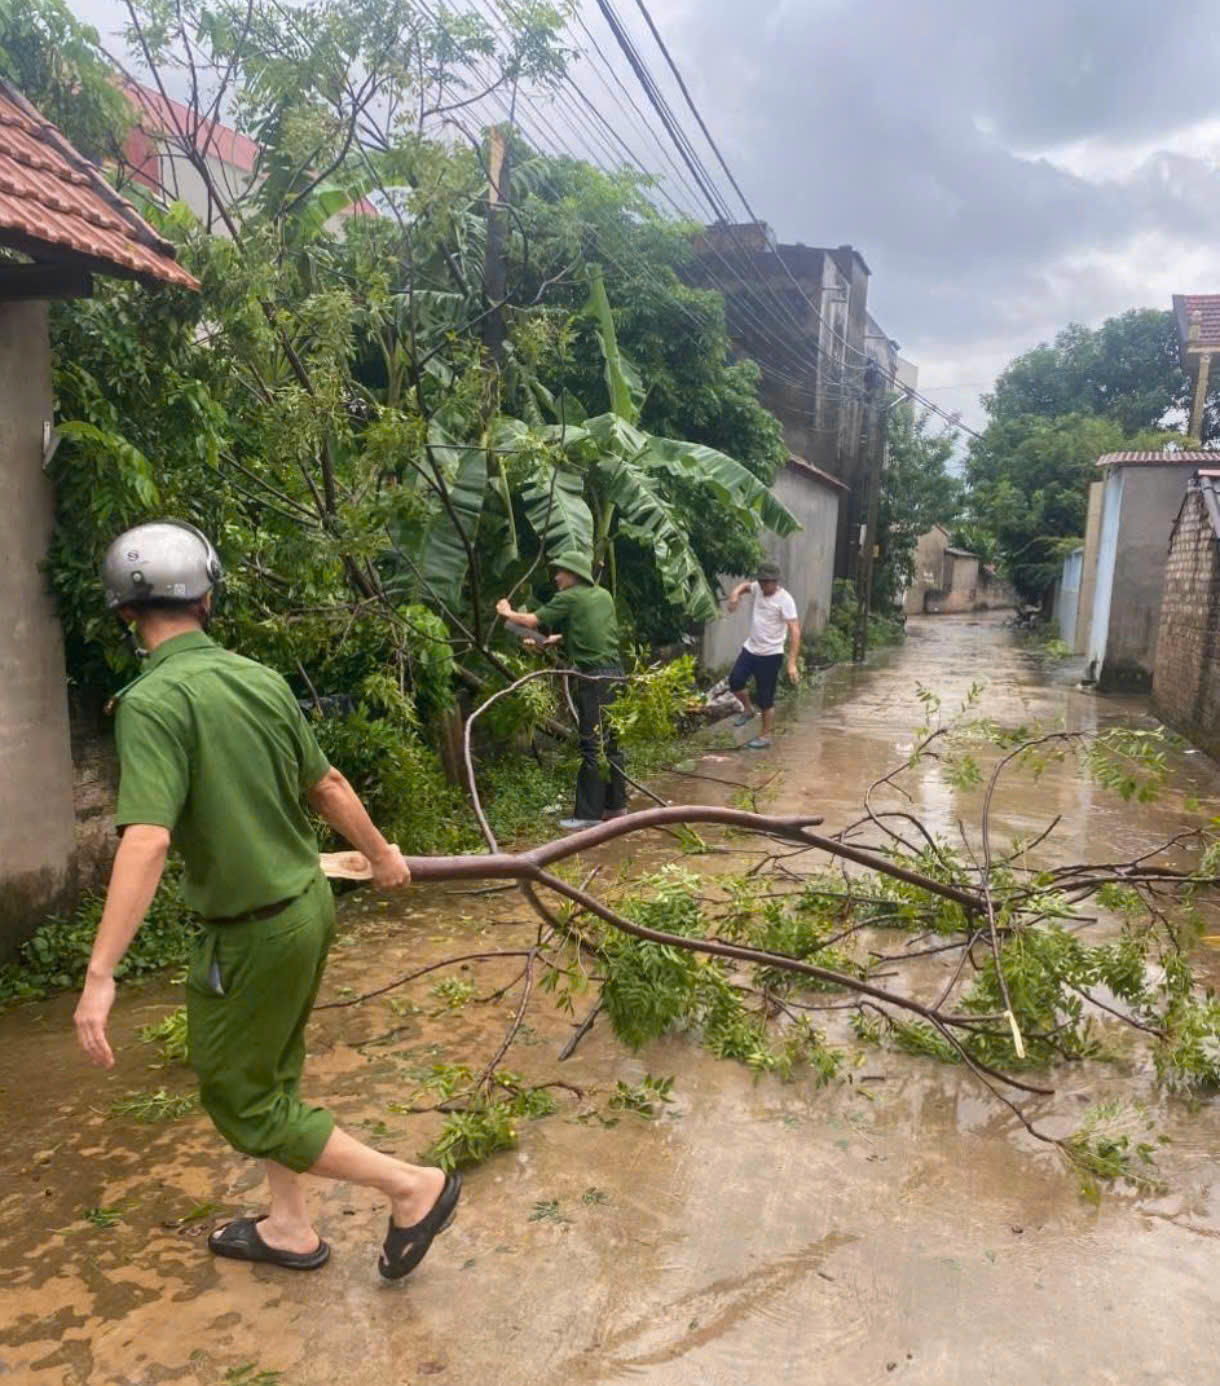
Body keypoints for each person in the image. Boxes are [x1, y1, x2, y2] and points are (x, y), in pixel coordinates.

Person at [73, 520, 460, 1278]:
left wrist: (100, 975)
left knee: (242, 1100)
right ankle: (287, 1227)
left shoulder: (151, 703)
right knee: (272, 1072)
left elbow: (147, 840)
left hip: (248, 932)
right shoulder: (258, 678)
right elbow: (329, 785)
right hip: (306, 909)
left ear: (124, 614)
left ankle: (411, 1187)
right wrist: (381, 858)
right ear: (208, 598)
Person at [496, 551, 626, 831]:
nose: (557, 577)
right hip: (616, 673)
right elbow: (593, 630)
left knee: (592, 745)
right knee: (612, 743)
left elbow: (530, 621)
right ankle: (615, 807)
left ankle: (587, 815)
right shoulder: (603, 595)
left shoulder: (570, 596)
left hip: (593, 678)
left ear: (574, 574)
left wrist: (506, 612)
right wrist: (556, 640)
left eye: (561, 572)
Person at [724, 560, 801, 750]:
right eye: (762, 582)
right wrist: (734, 595)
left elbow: (795, 631)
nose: (764, 586)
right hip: (751, 649)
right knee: (735, 681)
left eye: (768, 582)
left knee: (765, 698)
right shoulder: (757, 587)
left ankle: (765, 736)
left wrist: (791, 663)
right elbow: (744, 586)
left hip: (771, 655)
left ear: (776, 582)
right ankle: (748, 710)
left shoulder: (786, 600)